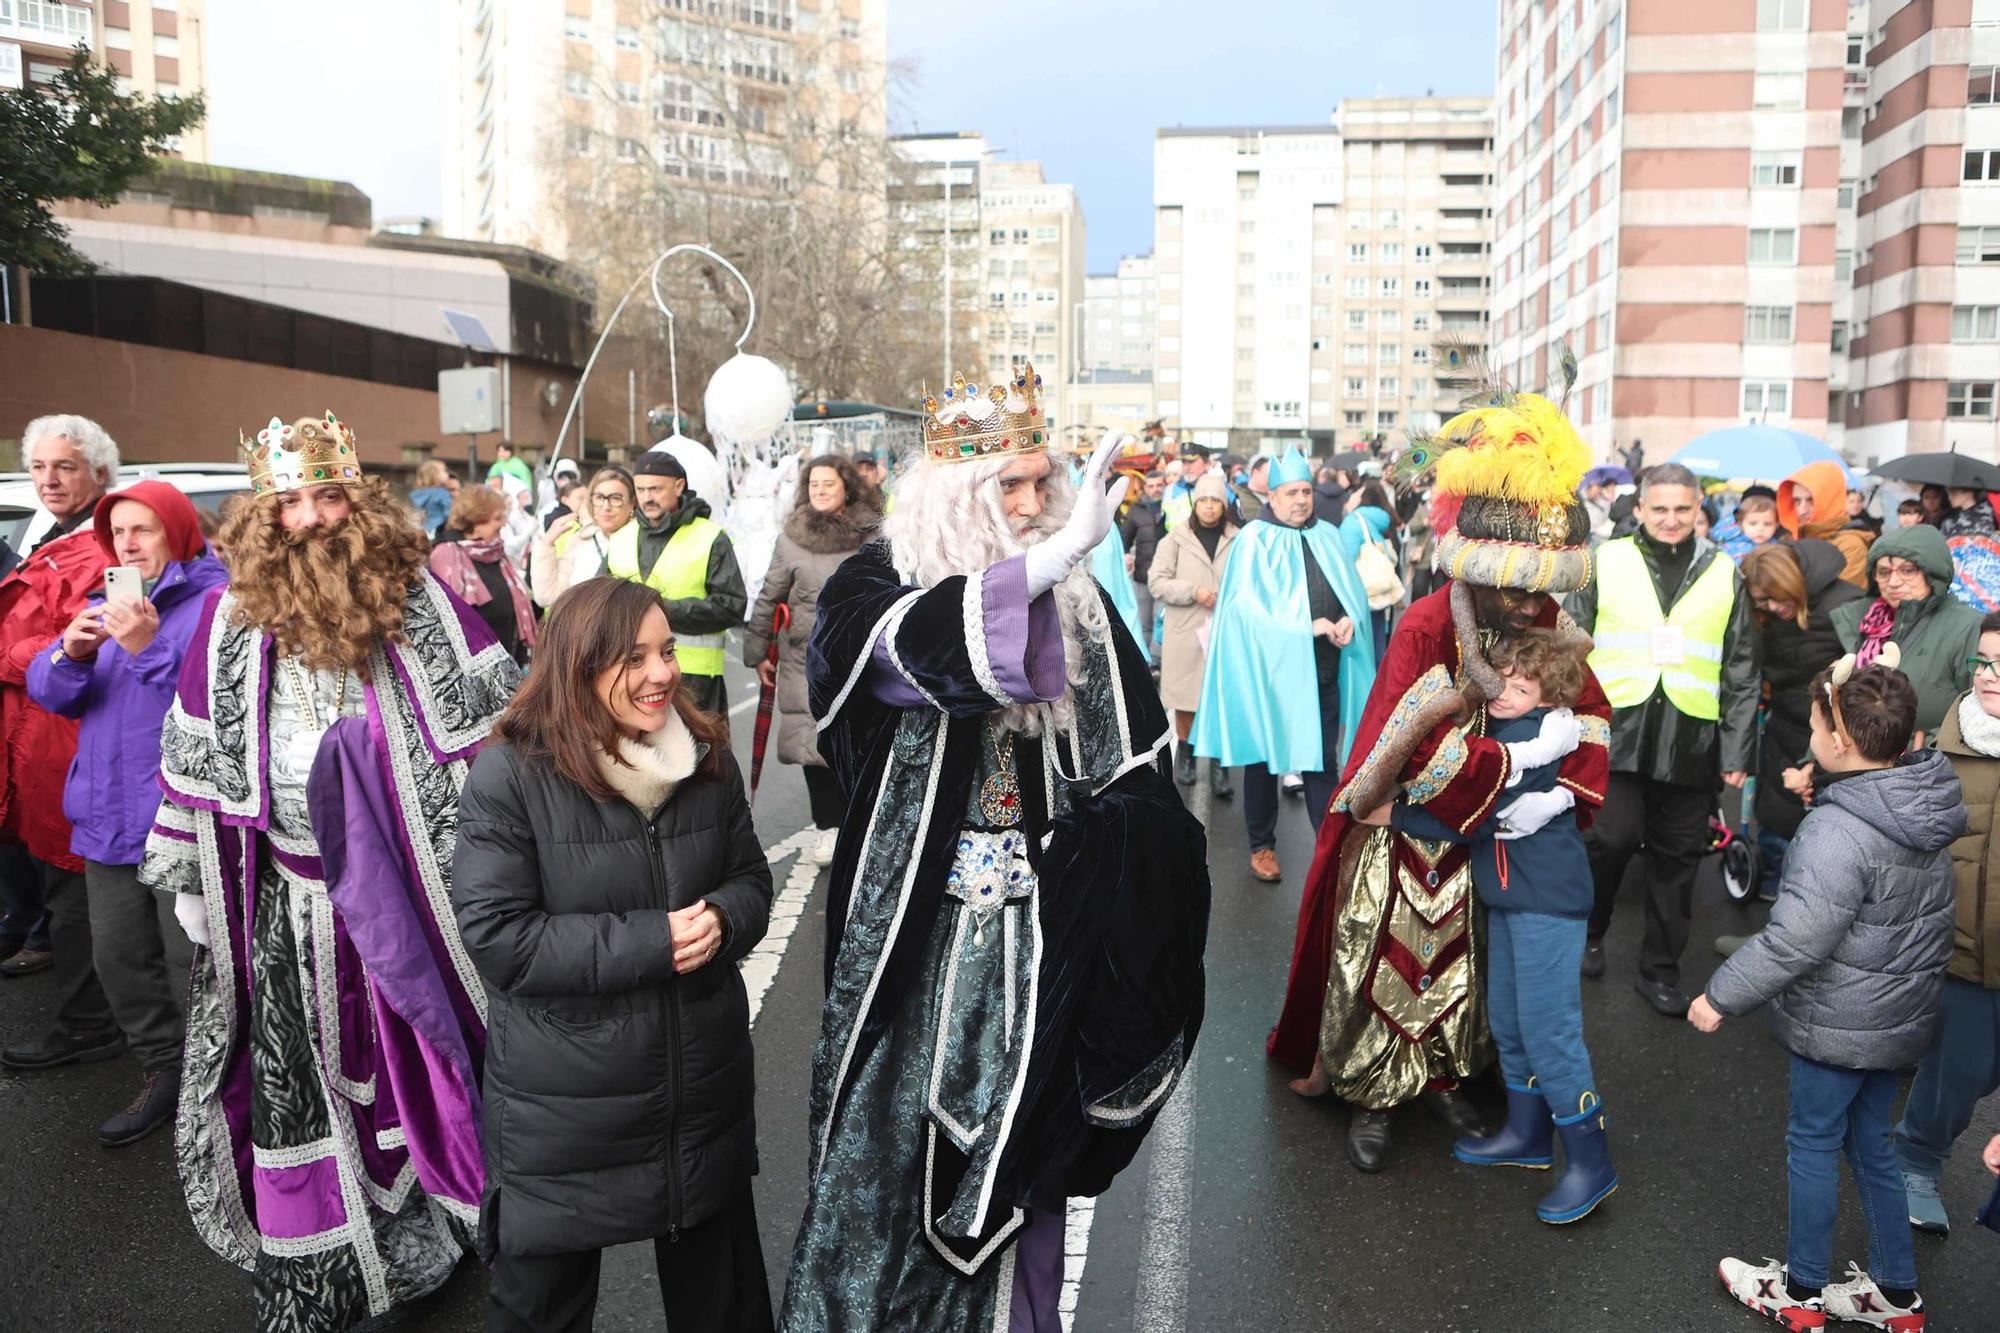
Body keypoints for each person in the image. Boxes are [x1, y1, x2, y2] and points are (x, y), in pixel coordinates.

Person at [783, 376, 1208, 1331]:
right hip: (918, 936)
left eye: (1039, 485)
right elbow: (911, 655)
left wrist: (1118, 875)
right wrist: (1050, 560)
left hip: (1046, 932)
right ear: (951, 491)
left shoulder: (1082, 596)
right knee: (888, 1159)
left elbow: (1135, 756)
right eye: (1006, 489)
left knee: (1034, 1158)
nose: (1028, 506)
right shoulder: (876, 580)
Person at [140, 412, 518, 1330]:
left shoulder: (418, 598)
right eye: (291, 499)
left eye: (327, 492)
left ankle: (431, 1226)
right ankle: (327, 1258)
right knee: (307, 1084)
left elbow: (497, 728)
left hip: (406, 901)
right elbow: (201, 750)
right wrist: (192, 881)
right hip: (288, 902)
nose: (310, 517)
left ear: (359, 499)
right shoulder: (232, 615)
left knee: (414, 1075)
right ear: (264, 515)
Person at [1272, 389, 1611, 1174]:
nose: (1532, 603)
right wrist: (1519, 767)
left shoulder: (1546, 622)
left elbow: (1591, 717)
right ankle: (1370, 1092)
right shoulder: (1428, 624)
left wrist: (1564, 791)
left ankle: (1437, 1077)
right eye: (1519, 587)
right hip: (1404, 828)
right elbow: (1404, 743)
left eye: (1541, 589)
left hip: (1486, 839)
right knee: (1384, 953)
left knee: (1457, 965)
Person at [453, 578, 776, 1333]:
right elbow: (500, 936)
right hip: (563, 1111)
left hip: (698, 1101)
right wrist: (655, 940)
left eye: (665, 651)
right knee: (542, 1311)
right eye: (632, 657)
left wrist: (727, 918)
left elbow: (751, 880)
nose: (661, 672)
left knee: (723, 1307)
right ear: (576, 663)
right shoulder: (512, 773)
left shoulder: (706, 759)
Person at [1696, 654, 1959, 1332]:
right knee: (1871, 1140)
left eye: (1816, 721)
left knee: (1811, 1141)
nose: (1809, 732)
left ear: (1838, 740)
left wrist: (1721, 996)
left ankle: (1801, 1288)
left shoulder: (1838, 829)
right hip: (1898, 1014)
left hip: (1840, 1019)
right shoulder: (1921, 803)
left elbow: (1794, 940)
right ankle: (1896, 1295)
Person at [2, 484, 225, 1150]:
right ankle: (163, 1070)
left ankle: (220, 1085)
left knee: (196, 962)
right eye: (118, 532)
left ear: (179, 533)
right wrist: (67, 651)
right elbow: (52, 694)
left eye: (143, 530)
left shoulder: (217, 604)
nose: (127, 544)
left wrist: (150, 646)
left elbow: (216, 708)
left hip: (179, 820)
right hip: (103, 817)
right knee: (120, 961)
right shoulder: (106, 599)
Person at [1370, 630, 1618, 1225]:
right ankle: (1528, 1135)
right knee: (1508, 1020)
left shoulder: (1535, 737)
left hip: (1547, 902)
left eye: (1521, 684)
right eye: (1500, 677)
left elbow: (1472, 816)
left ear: (1549, 692)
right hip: (1508, 898)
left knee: (1549, 1029)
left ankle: (1591, 1161)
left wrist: (1394, 813)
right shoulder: (1510, 732)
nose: (1504, 691)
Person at [1572, 462, 1758, 1016]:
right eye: (1661, 509)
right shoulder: (1606, 559)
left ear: (1698, 510)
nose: (1672, 519)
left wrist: (1738, 749)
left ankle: (1659, 970)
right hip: (1616, 731)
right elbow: (1571, 644)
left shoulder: (1726, 571)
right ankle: (1590, 930)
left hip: (1691, 737)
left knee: (1679, 860)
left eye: (1683, 509)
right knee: (1609, 840)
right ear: (1642, 509)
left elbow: (1742, 667)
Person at [1191, 449, 1378, 884]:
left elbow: (1352, 591)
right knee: (1262, 762)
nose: (1301, 499)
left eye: (1306, 491)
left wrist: (1350, 615)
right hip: (1270, 678)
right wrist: (1303, 625)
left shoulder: (1329, 536)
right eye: (1291, 492)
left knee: (1321, 764)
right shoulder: (1254, 540)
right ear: (1271, 496)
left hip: (1323, 671)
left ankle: (1330, 847)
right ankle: (1262, 845)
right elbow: (1242, 612)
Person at [0, 414, 116, 993]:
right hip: (38, 731)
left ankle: (88, 1023)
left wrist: (10, 656)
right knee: (53, 875)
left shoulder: (102, 544)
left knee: (74, 883)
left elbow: (90, 637)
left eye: (65, 467)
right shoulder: (53, 534)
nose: (49, 479)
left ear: (99, 472)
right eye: (40, 467)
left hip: (66, 731)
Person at [1894, 610, 2000, 1237]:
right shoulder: (1939, 749)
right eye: (1983, 662)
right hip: (1960, 954)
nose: (1990, 678)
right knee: (1957, 1075)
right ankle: (1917, 1157)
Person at [744, 453, 881, 866]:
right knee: (813, 748)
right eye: (813, 485)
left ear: (847, 488)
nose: (819, 491)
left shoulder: (871, 534)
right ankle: (827, 829)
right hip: (804, 660)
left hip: (862, 659)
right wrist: (756, 651)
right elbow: (770, 595)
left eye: (828, 484)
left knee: (860, 747)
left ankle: (863, 826)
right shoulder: (791, 537)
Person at [1739, 541, 1865, 890]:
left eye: (1781, 597)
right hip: (1783, 720)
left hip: (1832, 728)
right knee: (1776, 818)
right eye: (1764, 600)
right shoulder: (1764, 611)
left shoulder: (1846, 603)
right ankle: (1771, 896)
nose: (1775, 607)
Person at [607, 451, 747, 718]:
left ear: (679, 486)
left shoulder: (710, 537)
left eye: (656, 489)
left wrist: (656, 611)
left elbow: (731, 607)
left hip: (696, 680)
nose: (647, 497)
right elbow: (600, 600)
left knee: (702, 757)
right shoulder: (620, 538)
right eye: (641, 489)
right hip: (631, 674)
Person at [1829, 524, 1980, 744]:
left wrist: (1926, 749)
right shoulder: (1864, 621)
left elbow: (1980, 712)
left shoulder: (1967, 626)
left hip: (1924, 766)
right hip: (1855, 756)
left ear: (1932, 573)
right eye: (1884, 572)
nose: (1893, 582)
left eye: (1908, 570)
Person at [1150, 472, 1237, 798]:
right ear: (1194, 504)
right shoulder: (1174, 539)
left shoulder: (1238, 539)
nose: (1210, 507)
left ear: (1224, 505)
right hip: (1187, 630)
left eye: (1215, 501)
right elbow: (1156, 581)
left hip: (1224, 631)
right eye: (1203, 500)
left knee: (1222, 699)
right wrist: (1193, 591)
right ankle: (1185, 756)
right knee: (1186, 700)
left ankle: (1219, 766)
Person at [430, 484, 538, 666]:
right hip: (472, 672)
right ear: (475, 523)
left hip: (510, 664)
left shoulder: (496, 552)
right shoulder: (445, 555)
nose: (503, 523)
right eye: (497, 518)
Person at [532, 465, 636, 608]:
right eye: (599, 497)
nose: (606, 506)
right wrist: (547, 543)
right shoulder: (580, 540)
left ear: (632, 503)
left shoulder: (641, 540)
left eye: (616, 498)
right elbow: (548, 596)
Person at [1779, 460, 1875, 587]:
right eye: (1797, 501)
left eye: (1811, 500)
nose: (1802, 510)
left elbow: (1842, 602)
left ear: (1830, 500)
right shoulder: (1791, 538)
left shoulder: (1851, 546)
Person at [1340, 479, 1401, 659]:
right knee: (1378, 643)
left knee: (1364, 651)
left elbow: (1345, 563)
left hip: (1361, 593)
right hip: (1379, 592)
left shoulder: (1352, 522)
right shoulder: (1381, 519)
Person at [1120, 469, 1168, 661]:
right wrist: (1125, 554)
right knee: (1144, 621)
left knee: (1162, 619)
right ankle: (1147, 661)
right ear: (1145, 488)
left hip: (1166, 575)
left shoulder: (1172, 508)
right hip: (1143, 575)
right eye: (1151, 486)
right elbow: (1124, 537)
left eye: (1159, 485)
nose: (1156, 489)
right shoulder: (1136, 511)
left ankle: (1159, 660)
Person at [1161, 441, 1212, 530]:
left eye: (1191, 462)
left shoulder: (1222, 490)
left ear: (1207, 464)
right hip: (1174, 542)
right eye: (1184, 462)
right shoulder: (1170, 490)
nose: (1187, 467)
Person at [410, 459, 454, 539]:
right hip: (440, 528)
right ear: (434, 475)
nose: (447, 474)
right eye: (444, 471)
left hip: (424, 528)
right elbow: (449, 511)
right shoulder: (442, 493)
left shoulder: (418, 494)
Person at [1233, 454, 1271, 523]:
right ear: (1255, 472)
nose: (1272, 480)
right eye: (1269, 476)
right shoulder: (1242, 497)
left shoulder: (1271, 494)